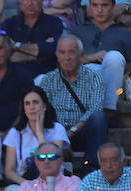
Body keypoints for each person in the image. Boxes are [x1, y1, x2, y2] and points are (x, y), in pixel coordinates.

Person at [34, 35, 106, 172]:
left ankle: (91, 169)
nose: (67, 57)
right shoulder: (48, 79)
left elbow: (95, 108)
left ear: (81, 55)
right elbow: (43, 111)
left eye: (72, 52)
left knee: (98, 117)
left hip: (81, 130)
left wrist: (70, 133)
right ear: (57, 55)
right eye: (62, 52)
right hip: (55, 133)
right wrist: (60, 136)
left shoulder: (94, 77)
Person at [73, 0, 131, 117]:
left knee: (114, 57)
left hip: (115, 83)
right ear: (89, 6)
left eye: (104, 5)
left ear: (113, 6)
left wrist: (114, 62)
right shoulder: (78, 31)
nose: (100, 10)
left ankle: (109, 112)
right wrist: (91, 57)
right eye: (95, 5)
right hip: (84, 80)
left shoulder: (126, 33)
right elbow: (65, 62)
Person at [1, 86, 67, 188]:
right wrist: (29, 185)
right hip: (22, 182)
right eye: (27, 103)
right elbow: (9, 171)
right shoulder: (15, 133)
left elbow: (52, 160)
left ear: (44, 105)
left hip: (51, 181)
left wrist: (40, 133)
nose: (31, 107)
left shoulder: (58, 129)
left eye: (35, 102)